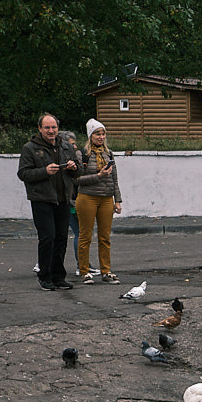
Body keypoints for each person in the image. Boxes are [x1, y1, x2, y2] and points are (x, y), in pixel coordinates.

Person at [17, 113, 80, 290]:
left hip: (63, 200)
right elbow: (23, 173)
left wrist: (74, 168)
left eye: (54, 127)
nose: (51, 131)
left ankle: (59, 277)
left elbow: (78, 172)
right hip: (42, 200)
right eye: (47, 128)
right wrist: (45, 171)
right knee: (48, 238)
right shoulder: (30, 148)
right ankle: (45, 276)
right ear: (40, 129)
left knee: (61, 238)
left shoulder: (66, 146)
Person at [74, 119, 123, 283]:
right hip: (87, 197)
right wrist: (98, 176)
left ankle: (106, 271)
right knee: (85, 236)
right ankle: (84, 271)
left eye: (103, 134)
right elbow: (77, 179)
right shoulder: (82, 154)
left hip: (106, 198)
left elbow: (114, 178)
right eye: (97, 134)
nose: (101, 137)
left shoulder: (108, 153)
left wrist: (118, 200)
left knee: (105, 237)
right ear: (90, 135)